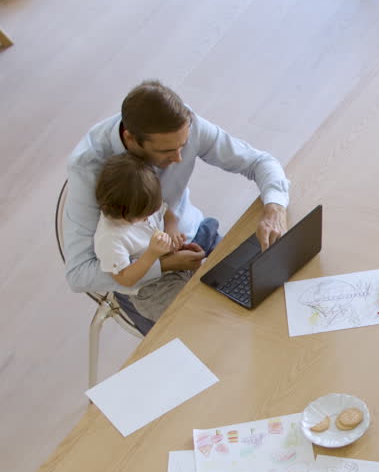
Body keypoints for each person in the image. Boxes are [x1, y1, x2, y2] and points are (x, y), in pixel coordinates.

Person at [63, 80, 291, 333]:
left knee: (278, 293)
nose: (179, 158)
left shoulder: (183, 125)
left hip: (195, 238)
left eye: (183, 146)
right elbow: (79, 274)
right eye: (167, 151)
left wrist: (274, 209)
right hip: (144, 277)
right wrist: (164, 264)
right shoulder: (87, 169)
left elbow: (259, 162)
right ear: (130, 138)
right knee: (217, 335)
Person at [93, 152, 202, 325]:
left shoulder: (144, 201)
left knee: (215, 285)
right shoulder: (110, 237)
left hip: (173, 266)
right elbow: (125, 278)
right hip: (152, 289)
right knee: (192, 315)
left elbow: (166, 213)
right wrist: (152, 253)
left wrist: (172, 230)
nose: (147, 218)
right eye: (142, 217)